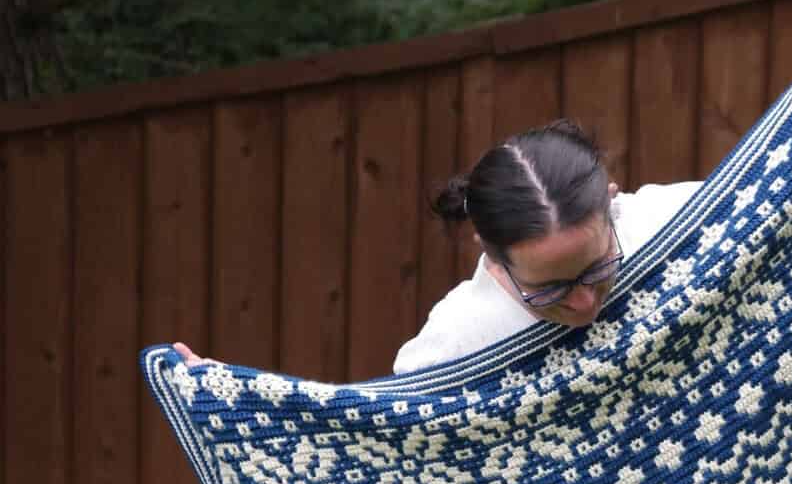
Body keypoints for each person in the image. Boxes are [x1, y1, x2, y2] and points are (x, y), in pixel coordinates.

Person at [174, 119, 700, 375]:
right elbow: (366, 449)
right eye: (550, 289)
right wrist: (236, 403)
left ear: (613, 203)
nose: (585, 302)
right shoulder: (459, 344)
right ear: (492, 259)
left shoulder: (688, 227)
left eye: (596, 269)